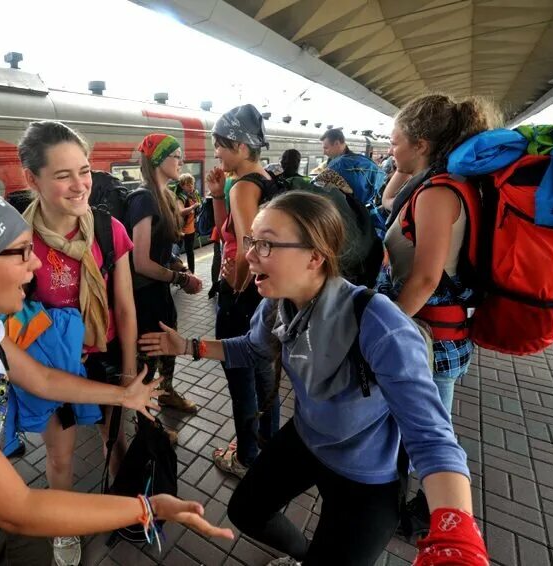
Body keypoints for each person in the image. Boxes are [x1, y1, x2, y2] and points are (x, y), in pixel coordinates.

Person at [0, 184, 233, 565]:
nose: (35, 265)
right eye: (22, 253)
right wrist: (148, 508)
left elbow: (43, 380)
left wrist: (123, 395)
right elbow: (20, 507)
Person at [139, 191, 488, 566]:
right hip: (307, 438)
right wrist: (188, 346)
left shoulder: (378, 322)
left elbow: (432, 436)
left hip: (368, 476)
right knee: (246, 510)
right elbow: (252, 348)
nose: (250, 253)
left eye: (266, 244)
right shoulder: (277, 302)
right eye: (252, 241)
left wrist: (457, 534)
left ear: (315, 257)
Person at [16, 120, 137, 565]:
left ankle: (124, 508)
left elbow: (124, 310)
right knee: (60, 457)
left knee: (115, 442)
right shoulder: (18, 240)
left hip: (103, 358)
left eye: (83, 171)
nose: (79, 185)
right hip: (54, 366)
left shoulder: (109, 231)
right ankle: (63, 530)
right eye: (63, 175)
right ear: (32, 179)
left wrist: (128, 373)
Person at [382, 94, 499, 415]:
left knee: (426, 443)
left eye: (395, 143)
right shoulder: (440, 185)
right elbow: (389, 202)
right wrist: (404, 166)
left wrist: (381, 331)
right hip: (431, 333)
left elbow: (426, 278)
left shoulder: (437, 194)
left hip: (431, 339)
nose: (391, 150)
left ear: (420, 145)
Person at [204, 105, 279, 478]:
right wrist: (218, 195)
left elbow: (249, 248)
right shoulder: (264, 179)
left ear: (237, 144)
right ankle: (266, 445)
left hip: (243, 297)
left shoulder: (245, 186)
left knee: (240, 374)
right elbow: (227, 232)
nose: (217, 153)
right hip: (263, 296)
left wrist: (234, 290)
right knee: (264, 372)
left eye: (219, 145)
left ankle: (246, 455)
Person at [126, 134, 202, 415]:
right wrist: (182, 279)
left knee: (168, 342)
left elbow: (160, 250)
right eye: (176, 156)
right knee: (148, 358)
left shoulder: (166, 197)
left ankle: (167, 393)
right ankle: (146, 421)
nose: (181, 161)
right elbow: (141, 262)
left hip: (160, 293)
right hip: (144, 296)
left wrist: (178, 265)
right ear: (158, 160)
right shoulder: (143, 199)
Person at [176, 173, 201, 273]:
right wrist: (193, 207)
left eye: (192, 184)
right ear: (182, 186)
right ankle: (178, 273)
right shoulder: (181, 197)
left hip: (191, 229)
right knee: (176, 253)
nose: (191, 186)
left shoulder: (194, 196)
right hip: (180, 231)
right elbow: (181, 211)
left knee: (190, 253)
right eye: (188, 184)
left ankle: (192, 273)